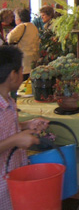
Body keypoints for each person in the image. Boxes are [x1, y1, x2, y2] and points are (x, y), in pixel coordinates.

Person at [0, 46, 49, 210]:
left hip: (15, 175)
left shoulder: (8, 101)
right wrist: (15, 140)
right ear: (13, 75)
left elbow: (6, 129)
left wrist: (26, 125)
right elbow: (9, 139)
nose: (23, 74)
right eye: (21, 71)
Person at [6, 9, 40, 81]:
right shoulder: (33, 26)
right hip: (34, 59)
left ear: (19, 18)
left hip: (24, 61)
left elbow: (10, 38)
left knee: (23, 84)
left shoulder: (21, 26)